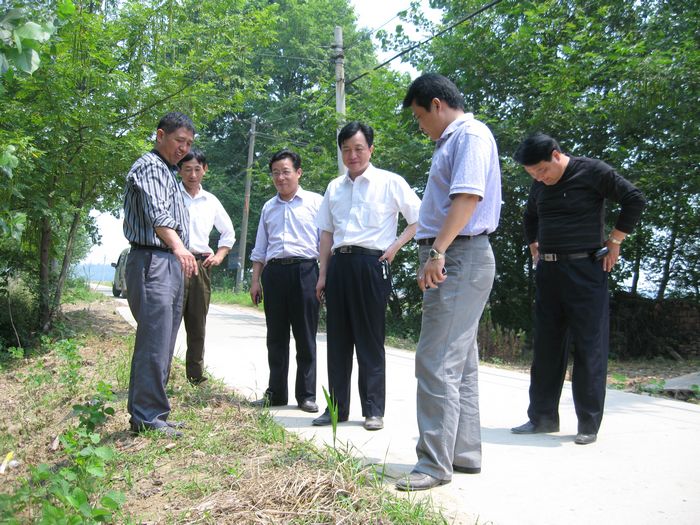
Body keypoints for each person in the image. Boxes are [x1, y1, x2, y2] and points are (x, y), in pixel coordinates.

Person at [396, 73, 501, 491]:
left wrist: (437, 251)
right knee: (460, 362)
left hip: (458, 255)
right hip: (457, 254)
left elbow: (468, 198)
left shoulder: (469, 136)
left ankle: (433, 464)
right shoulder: (452, 141)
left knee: (435, 360)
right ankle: (462, 453)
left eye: (420, 116)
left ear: (437, 105)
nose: (420, 126)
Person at [510, 132, 645, 445]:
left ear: (556, 155)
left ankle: (588, 424)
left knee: (588, 346)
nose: (540, 178)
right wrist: (534, 245)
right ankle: (541, 417)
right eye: (532, 174)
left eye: (542, 170)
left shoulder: (593, 171)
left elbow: (634, 198)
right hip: (549, 271)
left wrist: (615, 240)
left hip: (586, 270)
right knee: (546, 346)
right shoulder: (539, 184)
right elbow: (530, 216)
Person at [314, 121, 421, 431]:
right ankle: (336, 408)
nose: (352, 155)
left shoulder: (390, 182)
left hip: (372, 265)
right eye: (346, 149)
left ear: (371, 149)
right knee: (337, 341)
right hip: (339, 265)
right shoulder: (334, 187)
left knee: (369, 340)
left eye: (359, 148)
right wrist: (322, 274)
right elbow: (326, 233)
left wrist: (395, 247)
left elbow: (419, 218)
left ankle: (373, 410)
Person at [122, 111, 197, 438]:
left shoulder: (168, 172)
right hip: (153, 260)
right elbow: (158, 215)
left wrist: (180, 252)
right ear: (160, 135)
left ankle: (155, 414)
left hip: (169, 261)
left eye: (189, 144)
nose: (184, 148)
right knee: (153, 341)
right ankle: (146, 417)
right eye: (179, 140)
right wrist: (180, 248)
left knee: (164, 341)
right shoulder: (150, 166)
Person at [249, 149, 323, 413]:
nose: (280, 177)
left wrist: (324, 277)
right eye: (275, 173)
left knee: (305, 336)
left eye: (286, 172)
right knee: (276, 337)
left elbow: (325, 243)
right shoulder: (268, 207)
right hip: (275, 274)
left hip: (306, 271)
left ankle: (306, 395)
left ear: (298, 172)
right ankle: (276, 393)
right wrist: (255, 280)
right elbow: (260, 247)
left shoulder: (315, 202)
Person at [178, 148, 236, 385]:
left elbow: (228, 232)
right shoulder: (171, 195)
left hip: (200, 266)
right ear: (179, 171)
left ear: (205, 170)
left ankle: (195, 377)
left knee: (197, 323)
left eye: (197, 169)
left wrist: (220, 255)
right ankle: (159, 377)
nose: (192, 175)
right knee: (167, 321)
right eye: (187, 169)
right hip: (174, 263)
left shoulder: (211, 201)